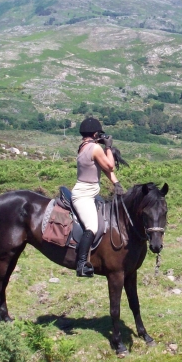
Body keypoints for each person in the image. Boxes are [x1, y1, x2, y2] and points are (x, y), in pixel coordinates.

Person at [72, 117, 124, 277]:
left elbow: (105, 168)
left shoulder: (85, 146)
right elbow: (110, 165)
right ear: (95, 134)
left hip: (91, 193)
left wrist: (116, 182)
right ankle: (81, 264)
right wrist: (108, 147)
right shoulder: (94, 148)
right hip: (84, 195)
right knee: (92, 227)